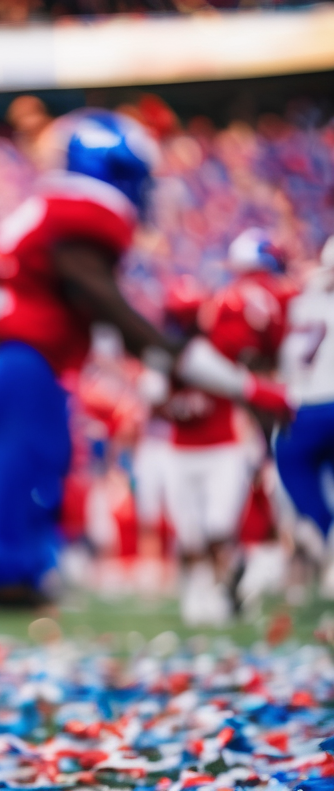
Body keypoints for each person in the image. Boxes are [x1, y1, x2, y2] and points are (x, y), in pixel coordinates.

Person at [0, 110, 292, 614]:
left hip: (15, 373)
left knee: (29, 538)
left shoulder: (45, 215)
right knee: (9, 547)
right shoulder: (80, 215)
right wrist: (237, 385)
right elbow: (121, 317)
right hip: (24, 376)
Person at [159, 228, 295, 624]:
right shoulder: (166, 356)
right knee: (191, 533)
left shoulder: (208, 351)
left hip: (221, 446)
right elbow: (158, 402)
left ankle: (224, 590)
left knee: (220, 528)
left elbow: (240, 386)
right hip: (183, 451)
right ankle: (201, 593)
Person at [275, 233, 334, 597]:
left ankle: (324, 538)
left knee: (297, 485)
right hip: (322, 401)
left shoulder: (295, 300)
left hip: (297, 410)